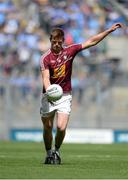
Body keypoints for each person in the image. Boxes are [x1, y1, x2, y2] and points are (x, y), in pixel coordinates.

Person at [40, 23, 123, 164]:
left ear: (63, 41)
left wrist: (108, 31)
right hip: (49, 95)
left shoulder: (70, 51)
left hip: (65, 95)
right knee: (47, 126)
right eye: (54, 42)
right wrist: (50, 92)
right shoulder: (45, 58)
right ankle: (48, 153)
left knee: (61, 127)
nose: (56, 45)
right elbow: (46, 78)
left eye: (59, 42)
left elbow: (91, 41)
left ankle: (56, 151)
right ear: (50, 41)